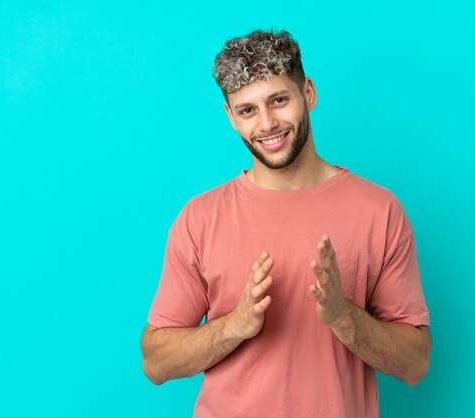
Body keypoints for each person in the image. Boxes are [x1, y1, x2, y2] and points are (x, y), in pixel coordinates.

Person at [141, 28, 431, 418]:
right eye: (247, 110)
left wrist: (344, 318)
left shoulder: (379, 211)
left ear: (307, 93)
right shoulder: (200, 219)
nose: (267, 124)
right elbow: (155, 362)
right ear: (230, 116)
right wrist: (234, 325)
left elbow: (415, 364)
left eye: (278, 100)